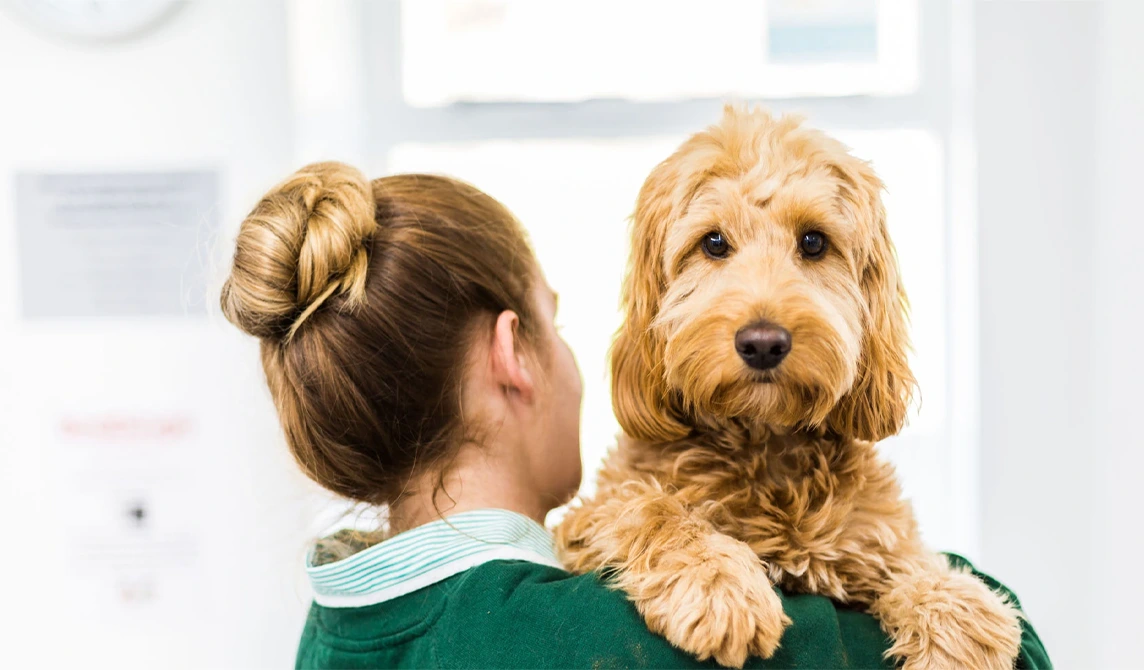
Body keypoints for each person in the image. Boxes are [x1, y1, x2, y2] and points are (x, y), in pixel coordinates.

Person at [219, 162, 1051, 669]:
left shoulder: (338, 622)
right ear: (515, 355)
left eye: (811, 244)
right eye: (558, 322)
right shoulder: (582, 636)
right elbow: (1017, 658)